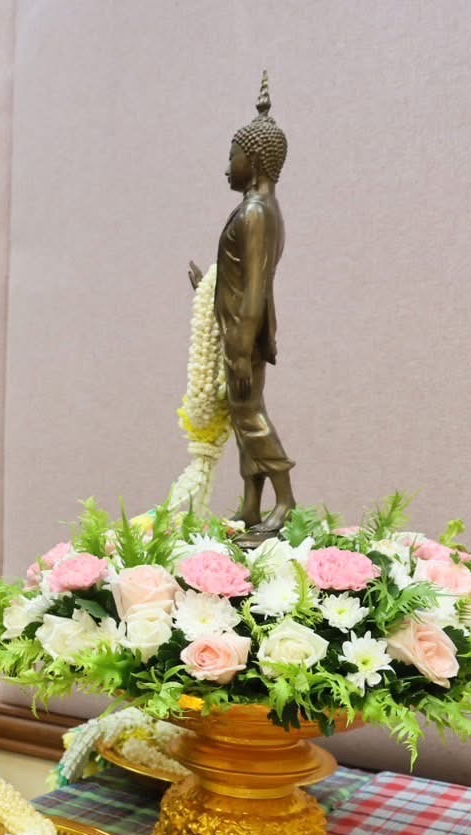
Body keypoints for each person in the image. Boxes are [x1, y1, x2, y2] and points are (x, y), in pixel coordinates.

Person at [191, 72, 294, 536]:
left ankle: (285, 500)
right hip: (238, 330)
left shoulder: (255, 213)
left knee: (250, 416)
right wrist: (206, 290)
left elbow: (254, 289)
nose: (226, 167)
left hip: (242, 335)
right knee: (241, 414)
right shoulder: (259, 210)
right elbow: (237, 279)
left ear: (252, 159)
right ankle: (252, 503)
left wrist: (238, 344)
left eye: (231, 157)